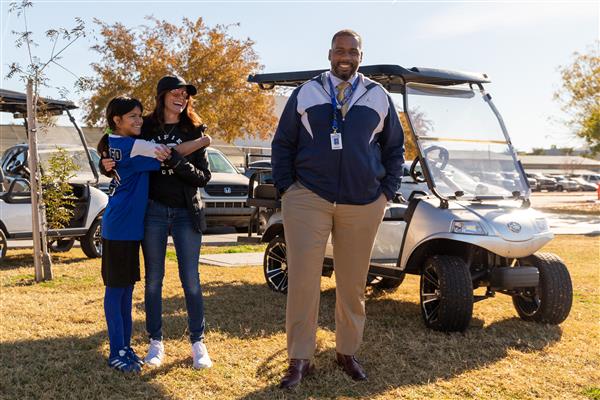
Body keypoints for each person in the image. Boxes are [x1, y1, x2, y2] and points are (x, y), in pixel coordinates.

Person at [271, 29, 405, 388]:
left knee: (352, 284)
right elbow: (283, 143)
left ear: (361, 55)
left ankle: (347, 352)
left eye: (352, 51)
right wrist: (288, 188)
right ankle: (300, 359)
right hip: (309, 197)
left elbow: (395, 149)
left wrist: (386, 192)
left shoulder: (377, 96)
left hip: (362, 202)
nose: (345, 56)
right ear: (329, 53)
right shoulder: (307, 92)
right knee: (302, 280)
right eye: (339, 50)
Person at [101, 76, 213, 369]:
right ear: (162, 96)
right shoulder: (146, 125)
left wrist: (181, 158)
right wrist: (104, 160)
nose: (181, 97)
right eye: (175, 92)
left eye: (185, 93)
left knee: (191, 280)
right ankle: (155, 342)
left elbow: (203, 177)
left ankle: (198, 343)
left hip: (186, 213)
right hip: (152, 212)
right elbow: (112, 139)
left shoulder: (194, 127)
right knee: (153, 282)